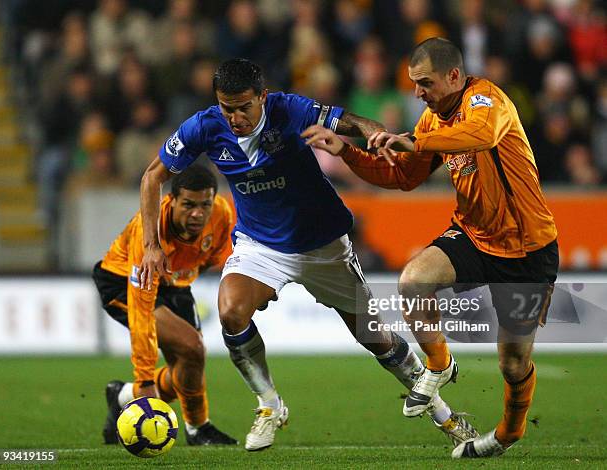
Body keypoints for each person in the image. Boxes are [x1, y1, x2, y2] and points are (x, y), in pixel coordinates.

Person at [138, 58, 478, 452]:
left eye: (243, 107)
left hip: (323, 245)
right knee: (231, 311)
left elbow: (346, 121)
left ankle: (447, 417)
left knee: (378, 340)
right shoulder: (204, 126)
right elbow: (152, 177)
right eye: (227, 107)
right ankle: (268, 405)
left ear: (262, 98)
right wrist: (150, 246)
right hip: (260, 245)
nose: (235, 117)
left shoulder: (287, 109)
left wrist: (373, 132)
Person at [302, 37, 559, 459]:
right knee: (413, 281)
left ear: (454, 76)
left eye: (424, 83)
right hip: (475, 235)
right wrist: (347, 151)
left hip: (528, 247)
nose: (417, 93)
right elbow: (403, 177)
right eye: (413, 84)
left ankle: (508, 433)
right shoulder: (430, 121)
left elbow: (482, 133)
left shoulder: (487, 100)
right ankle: (439, 364)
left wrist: (416, 144)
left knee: (513, 365)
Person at [92, 165, 238, 446]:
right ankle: (193, 425)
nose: (197, 213)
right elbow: (142, 309)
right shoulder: (149, 231)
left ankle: (124, 396)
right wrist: (145, 380)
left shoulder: (221, 213)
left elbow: (213, 255)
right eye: (188, 205)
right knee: (191, 345)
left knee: (192, 360)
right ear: (171, 201)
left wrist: (180, 274)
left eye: (204, 205)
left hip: (174, 284)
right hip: (122, 281)